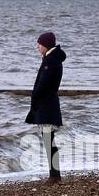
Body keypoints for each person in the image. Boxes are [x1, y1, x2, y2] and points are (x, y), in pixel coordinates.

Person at [25, 31, 66, 181]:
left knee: (49, 140)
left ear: (45, 45)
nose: (37, 47)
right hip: (48, 104)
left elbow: (43, 83)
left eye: (39, 44)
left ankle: (54, 175)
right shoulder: (51, 59)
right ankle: (54, 173)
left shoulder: (51, 61)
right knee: (49, 140)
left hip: (47, 105)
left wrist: (35, 95)